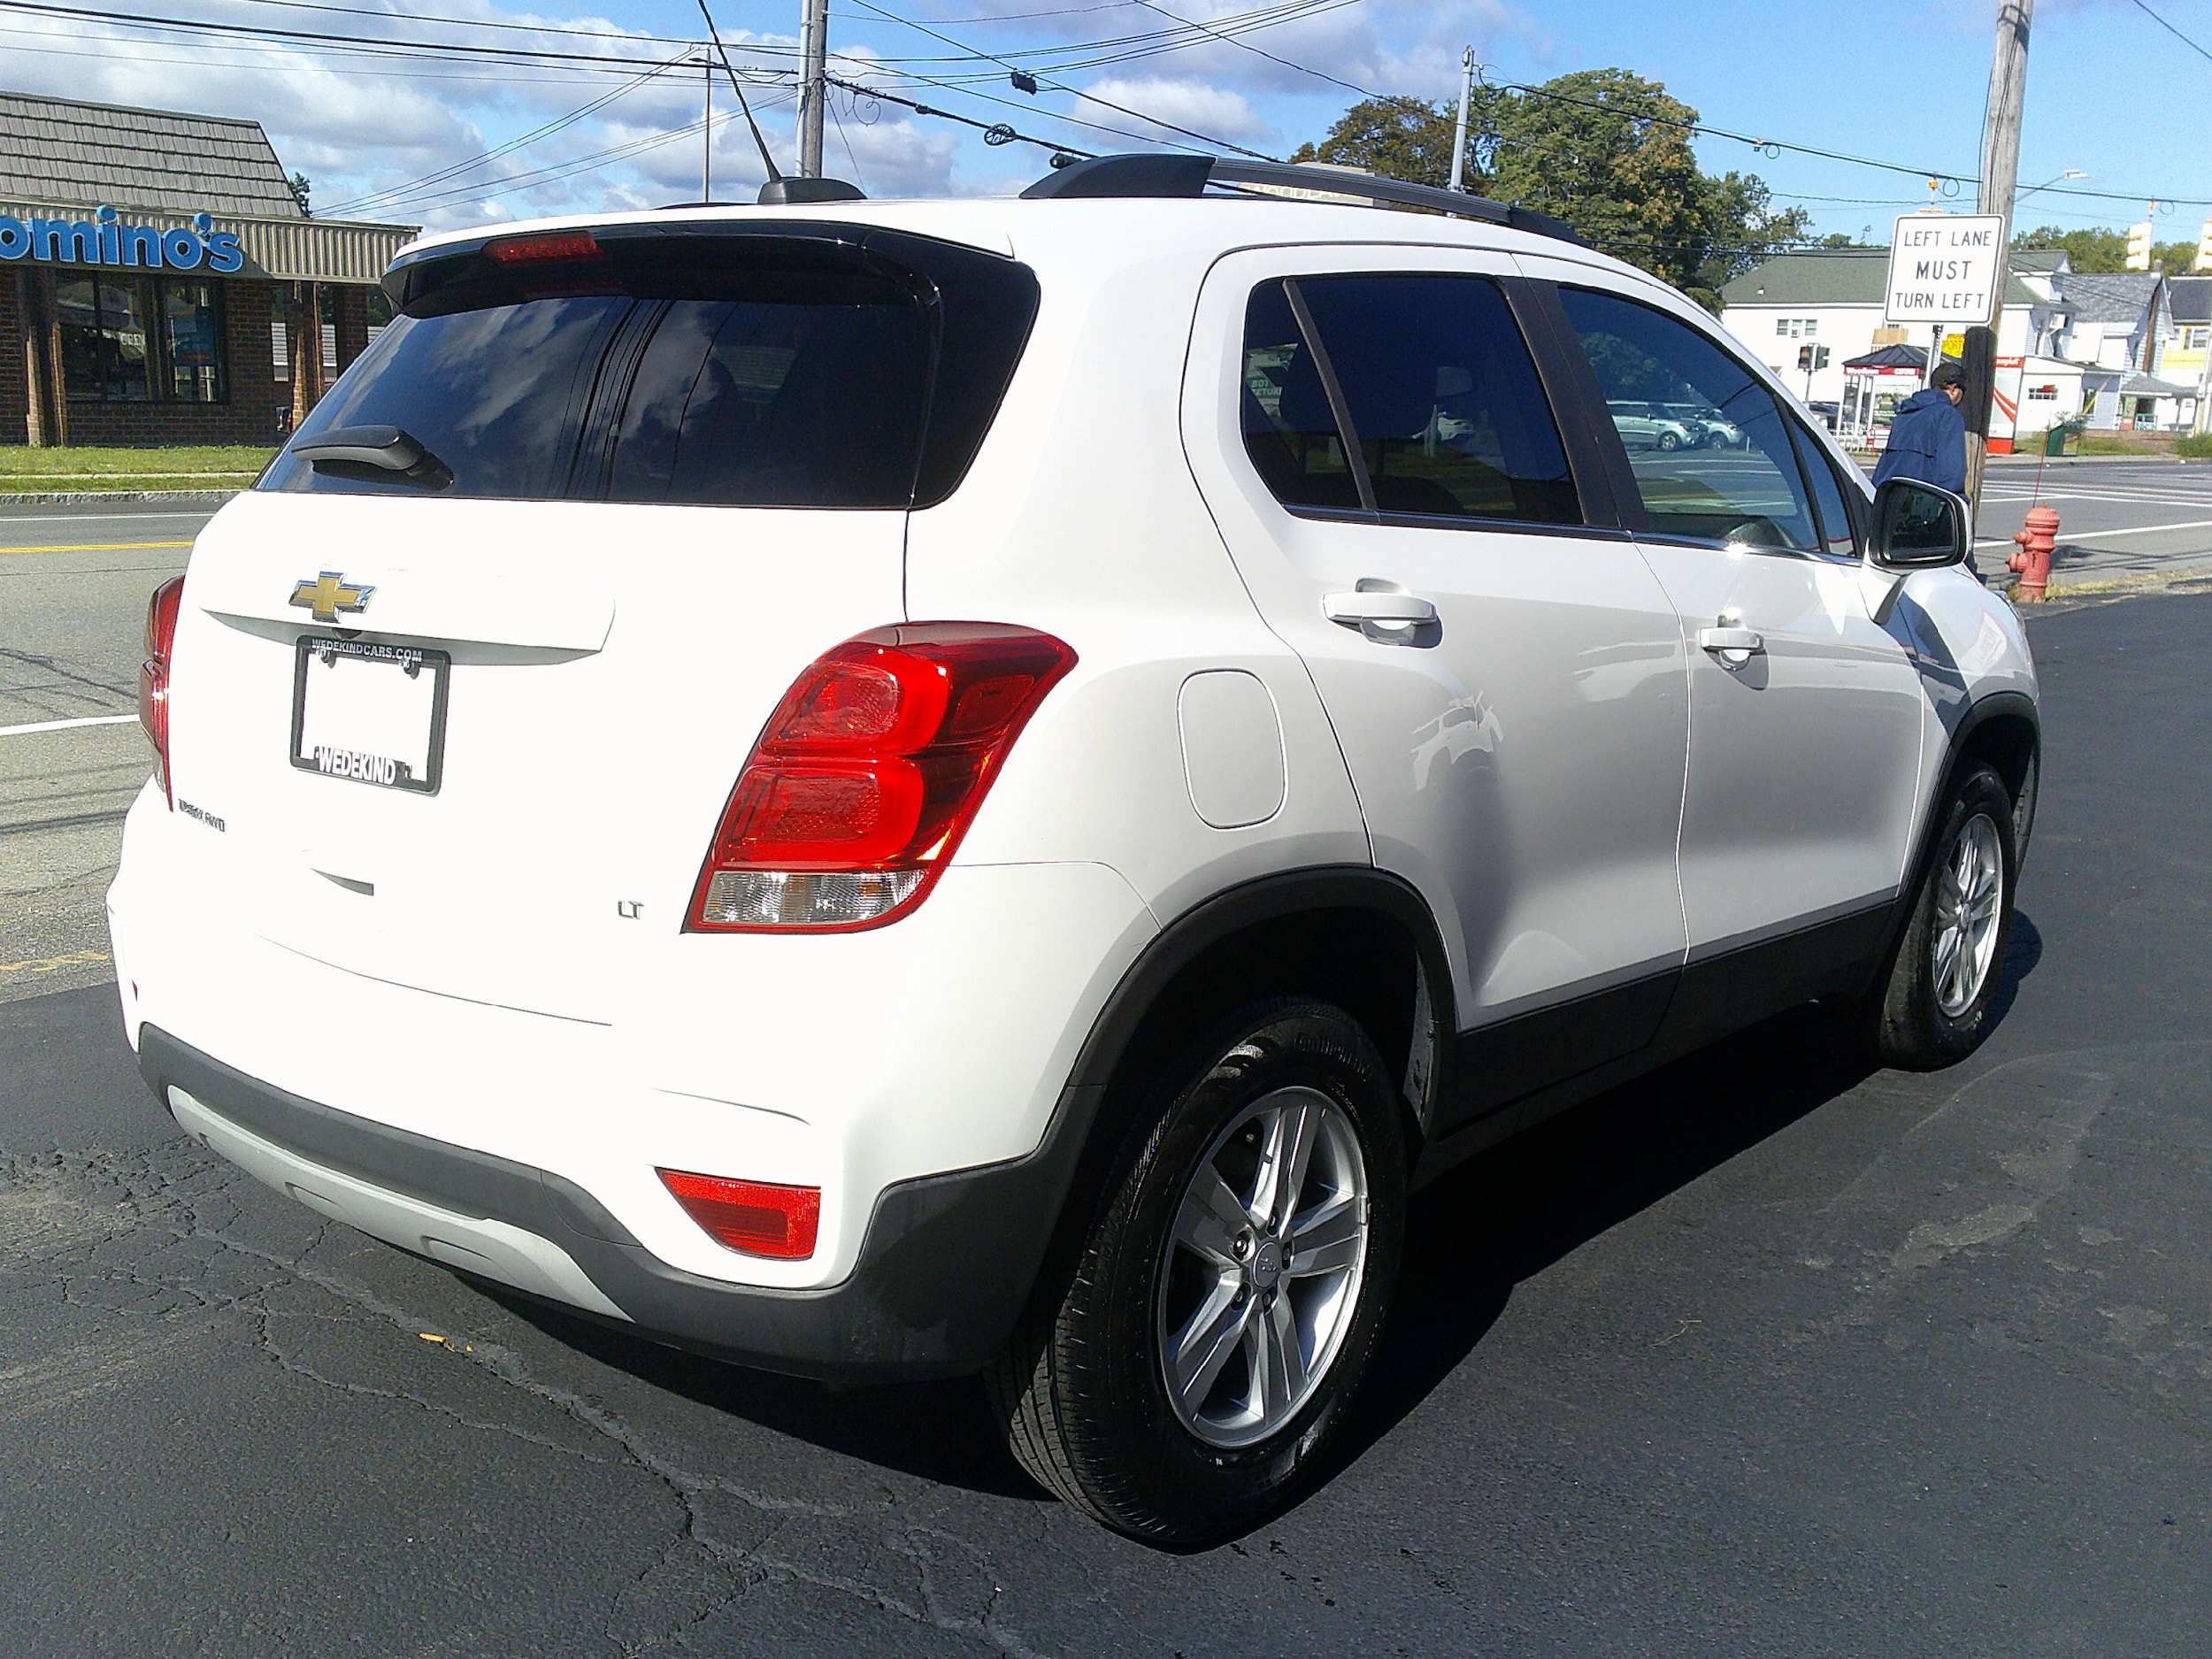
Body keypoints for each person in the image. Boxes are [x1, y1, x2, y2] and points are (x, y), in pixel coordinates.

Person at [1873, 360, 1967, 495]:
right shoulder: (1948, 415)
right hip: (1922, 504)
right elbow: (1952, 474)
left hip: (1888, 502)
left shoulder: (1904, 415)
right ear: (1953, 388)